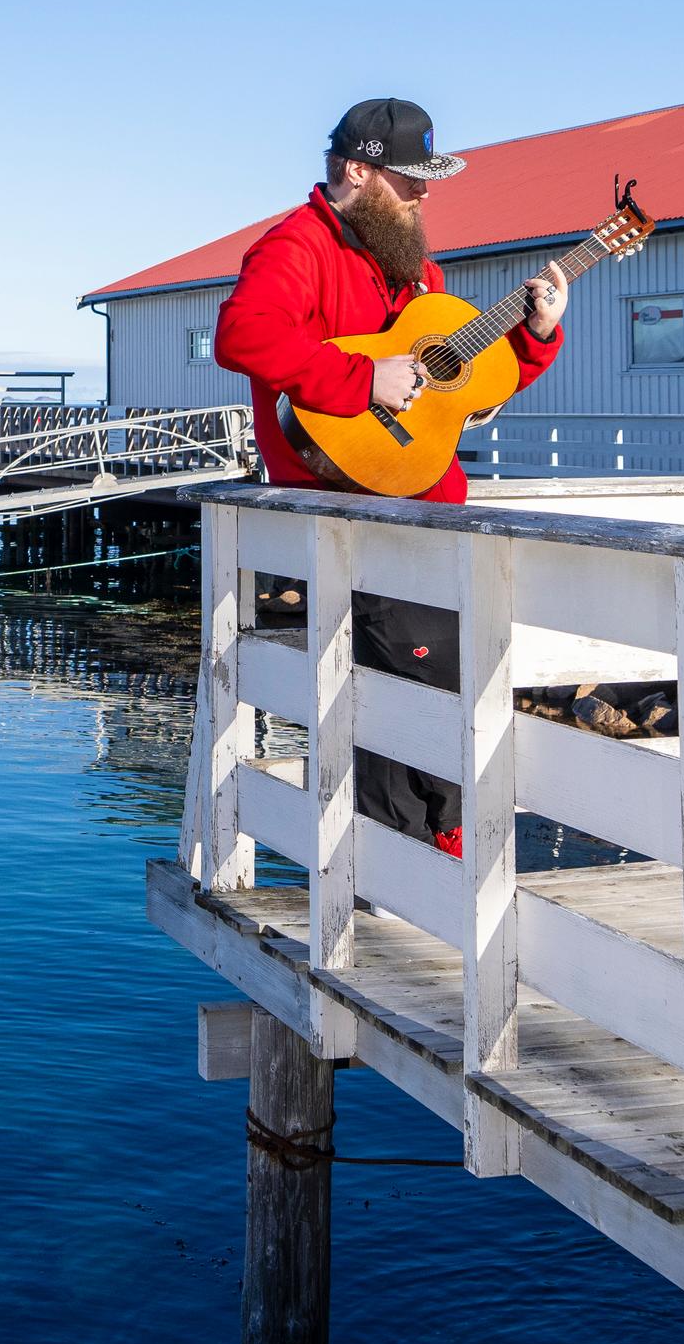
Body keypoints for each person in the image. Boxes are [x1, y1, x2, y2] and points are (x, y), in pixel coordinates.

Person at [209, 98, 571, 854]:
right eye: (409, 181)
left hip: (427, 515)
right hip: (351, 513)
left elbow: (457, 392)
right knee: (405, 696)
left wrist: (536, 339)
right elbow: (242, 334)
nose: (423, 195)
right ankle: (402, 875)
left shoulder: (415, 271)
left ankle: (430, 859)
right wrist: (359, 380)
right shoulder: (297, 247)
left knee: (454, 686)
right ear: (356, 171)